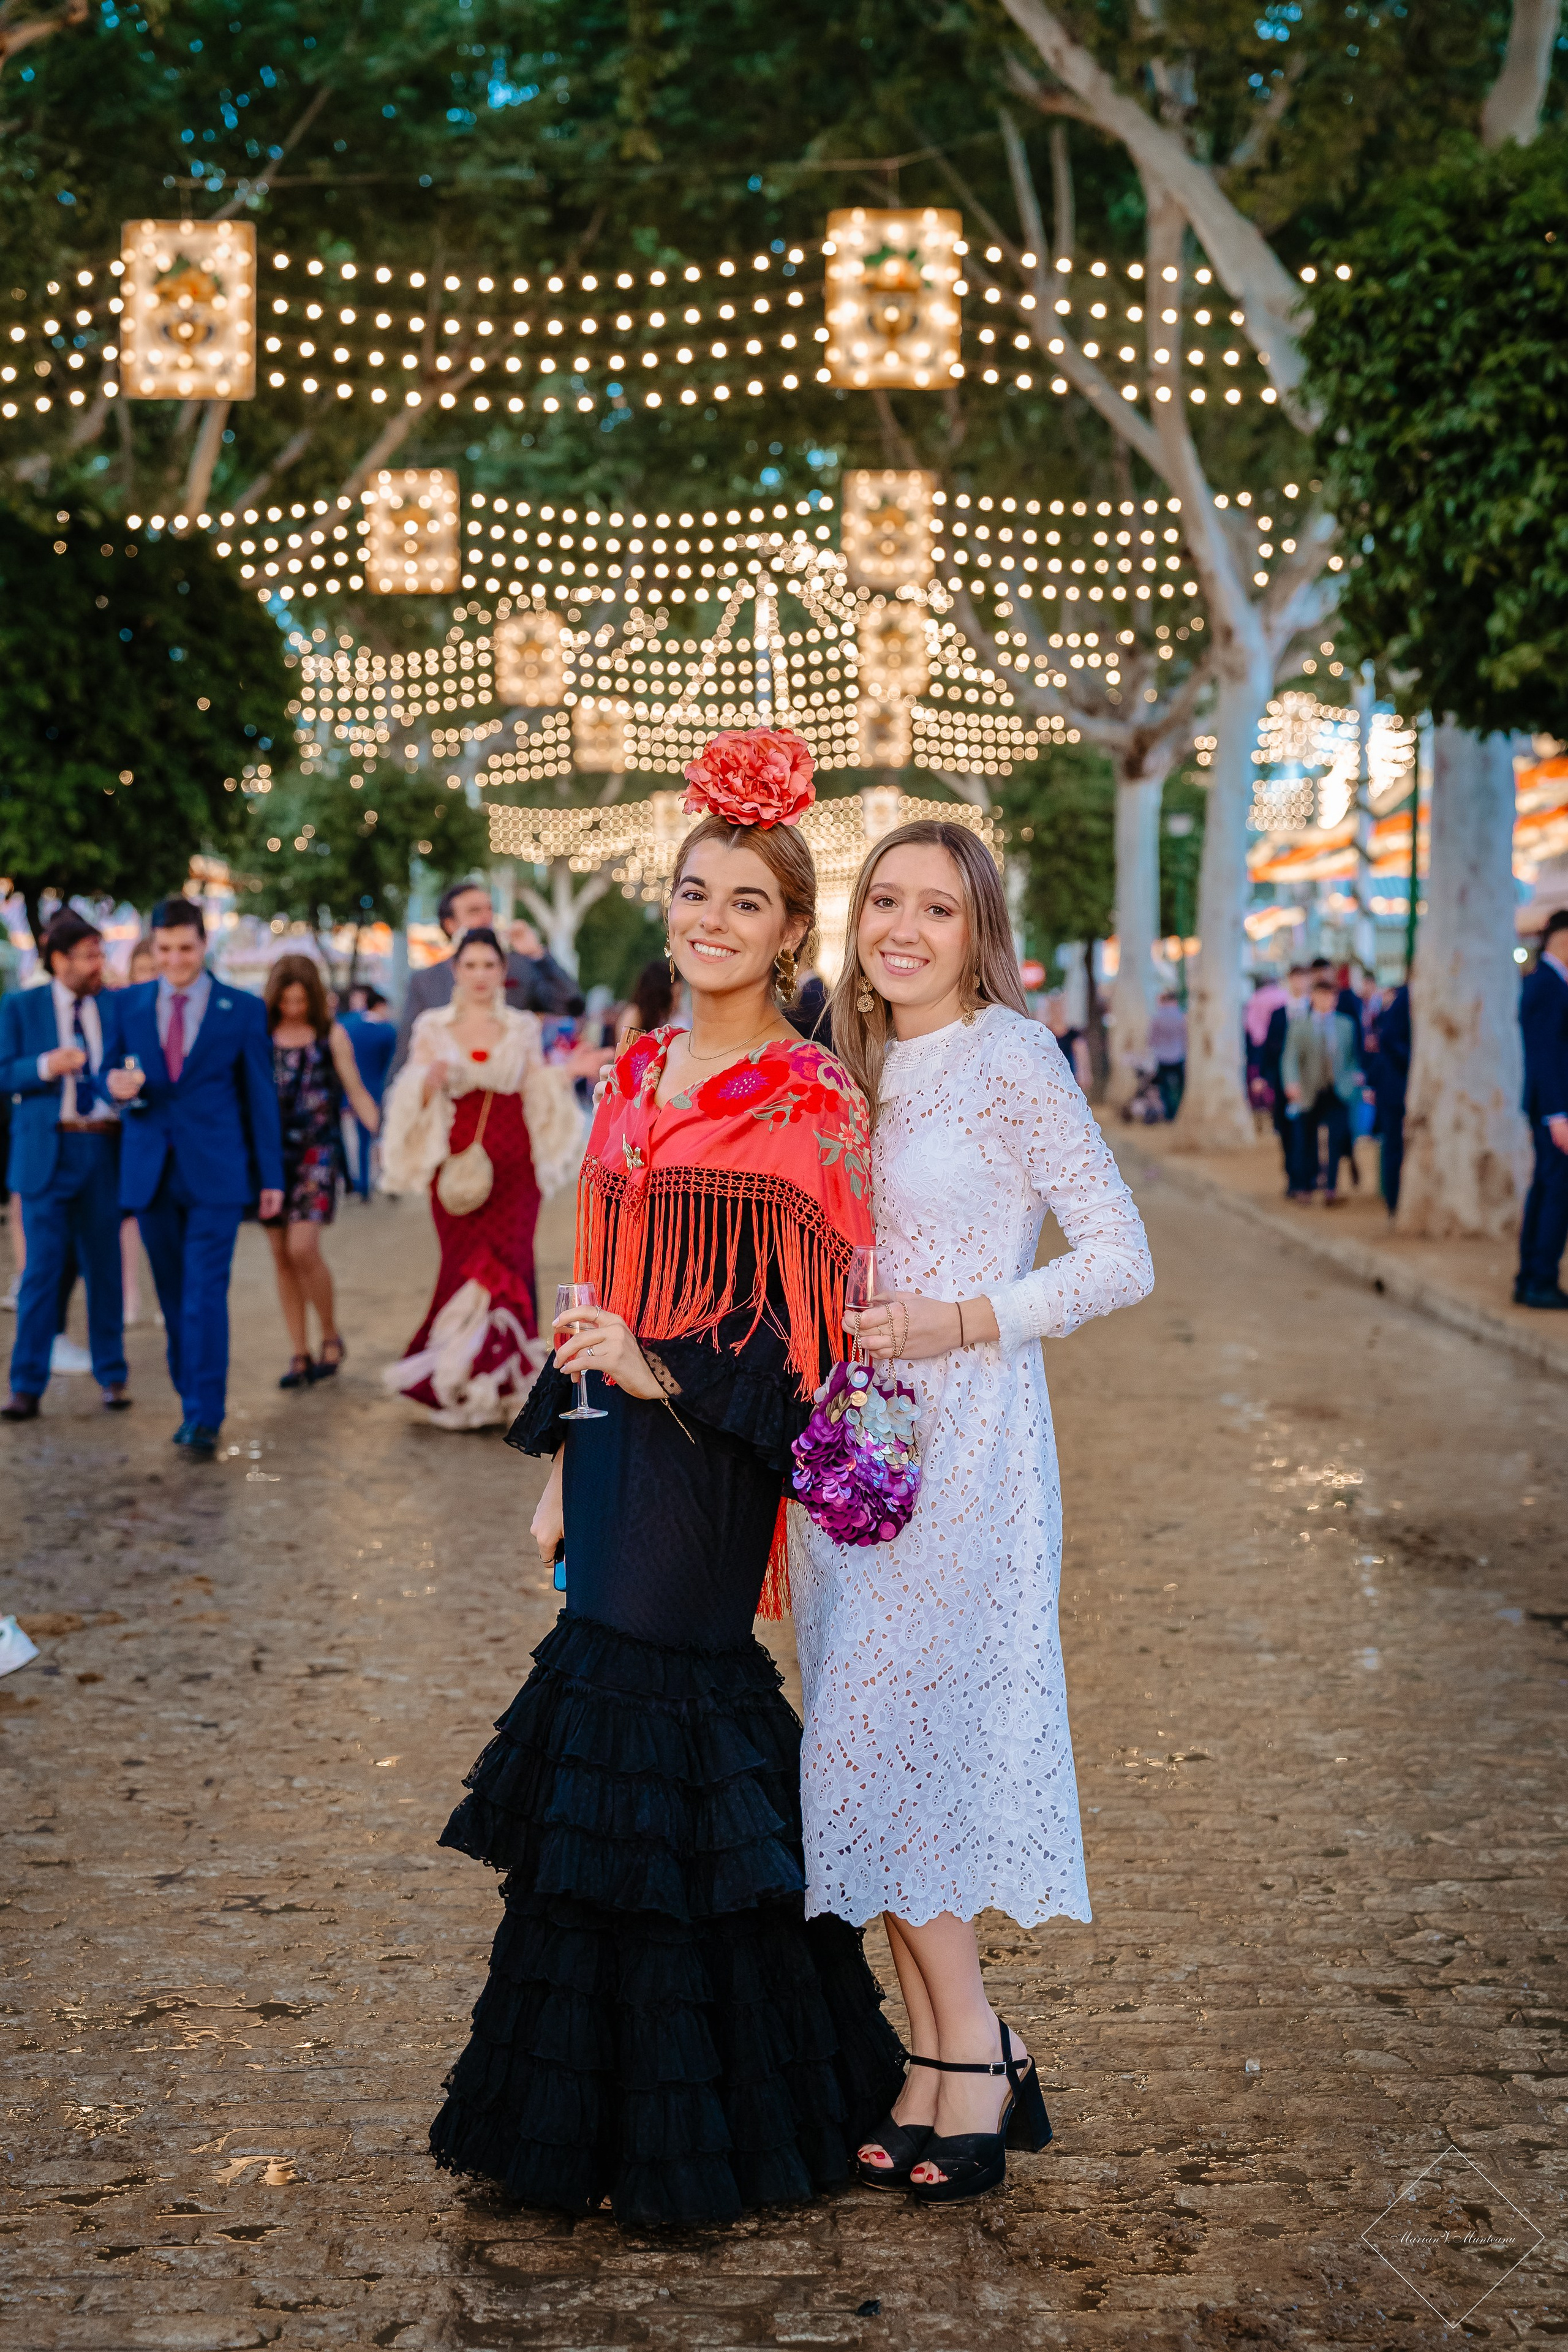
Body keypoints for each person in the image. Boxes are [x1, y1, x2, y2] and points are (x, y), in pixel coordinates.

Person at [429, 728, 905, 2226]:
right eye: (691, 891)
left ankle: (729, 2109)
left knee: (666, 1727)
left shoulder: (813, 1097)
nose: (706, 917)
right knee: (607, 1742)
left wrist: (668, 1373)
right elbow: (593, 1289)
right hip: (615, 1444)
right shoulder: (631, 1072)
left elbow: (813, 1350)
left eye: (742, 901)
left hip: (712, 1457)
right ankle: (608, 2108)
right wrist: (566, 1459)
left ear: (788, 930)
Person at [790, 819, 1153, 2207]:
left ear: (973, 928)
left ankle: (966, 2054)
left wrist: (965, 1316)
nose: (901, 927)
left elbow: (1118, 1253)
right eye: (884, 898)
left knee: (893, 1745)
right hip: (848, 1459)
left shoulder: (1009, 1055)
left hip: (970, 1453)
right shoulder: (844, 1061)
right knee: (864, 1753)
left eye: (933, 907)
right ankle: (957, 2045)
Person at [380, 929, 598, 1428]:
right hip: (455, 1165)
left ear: (504, 972)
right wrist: (424, 1082)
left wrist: (569, 1072)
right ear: (455, 970)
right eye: (470, 965)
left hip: (514, 1164)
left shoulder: (522, 1026)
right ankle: (457, 1384)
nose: (480, 975)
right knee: (462, 1263)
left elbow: (535, 1085)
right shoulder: (432, 1025)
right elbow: (407, 1091)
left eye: (489, 965)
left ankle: (508, 1388)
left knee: (514, 1260)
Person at [100, 897, 284, 1457]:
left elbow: (261, 1099)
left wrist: (271, 1176)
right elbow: (102, 1078)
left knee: (206, 1294)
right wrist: (113, 1086)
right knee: (176, 1296)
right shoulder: (126, 1005)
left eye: (186, 948)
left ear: (204, 946)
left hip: (218, 1175)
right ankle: (192, 1392)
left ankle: (205, 1414)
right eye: (165, 949)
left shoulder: (243, 1008)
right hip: (150, 1171)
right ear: (152, 948)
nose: (176, 959)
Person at [0, 912, 130, 1421]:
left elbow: (128, 1066)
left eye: (102, 953)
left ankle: (113, 1374)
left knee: (105, 1268)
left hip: (102, 1149)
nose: (100, 964)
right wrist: (43, 1066)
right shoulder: (21, 1006)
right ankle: (26, 1384)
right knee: (40, 1273)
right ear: (59, 960)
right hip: (45, 1155)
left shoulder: (115, 1008)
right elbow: (3, 1071)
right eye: (90, 955)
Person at [263, 956, 383, 1388]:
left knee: (302, 1248)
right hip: (271, 1157)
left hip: (317, 1153)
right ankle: (299, 1351)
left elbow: (356, 1090)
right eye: (285, 1001)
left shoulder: (331, 1035)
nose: (293, 1008)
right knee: (280, 1254)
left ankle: (330, 1334)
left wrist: (384, 1136)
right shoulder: (260, 1036)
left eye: (300, 1000)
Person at [390, 881, 581, 1078]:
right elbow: (406, 1053)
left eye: (490, 909)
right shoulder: (426, 980)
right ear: (450, 925)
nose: (486, 917)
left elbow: (571, 1006)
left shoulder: (518, 967)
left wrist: (538, 955)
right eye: (474, 911)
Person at [1515, 908, 1568, 1310]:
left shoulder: (1546, 982)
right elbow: (1547, 1054)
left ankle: (1531, 1276)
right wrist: (1557, 1115)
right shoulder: (1549, 985)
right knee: (1556, 1193)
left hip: (1549, 1108)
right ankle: (1540, 1279)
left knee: (1545, 1189)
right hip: (1555, 1111)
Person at [1281, 975, 1362, 1204]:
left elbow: (1353, 1057)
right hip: (1309, 1089)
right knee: (1307, 1138)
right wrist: (1292, 1082)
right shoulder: (1300, 1025)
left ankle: (1331, 1188)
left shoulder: (1346, 1025)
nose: (1326, 1000)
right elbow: (1290, 1058)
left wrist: (1355, 1079)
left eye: (1330, 996)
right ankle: (1306, 1186)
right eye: (1321, 995)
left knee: (1337, 1137)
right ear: (1313, 998)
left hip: (1339, 1089)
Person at [338, 983, 398, 1201]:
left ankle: (363, 1186)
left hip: (353, 1092)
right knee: (384, 1138)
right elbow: (392, 1065)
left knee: (361, 1141)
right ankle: (389, 1181)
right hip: (380, 1091)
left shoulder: (346, 1026)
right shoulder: (388, 1031)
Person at [1262, 967, 1313, 1193]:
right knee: (1286, 1129)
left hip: (1311, 1082)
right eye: (1296, 978)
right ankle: (1293, 1177)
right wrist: (1266, 1076)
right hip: (1283, 1083)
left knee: (1308, 1130)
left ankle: (1308, 1177)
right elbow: (1268, 1047)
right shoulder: (1278, 1013)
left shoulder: (1315, 1011)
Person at [1368, 974, 1411, 1216]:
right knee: (1393, 1145)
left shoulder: (1406, 997)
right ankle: (1393, 1201)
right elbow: (1390, 1039)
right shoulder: (1406, 998)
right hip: (1395, 1088)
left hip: (1397, 1086)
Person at [612, 956, 674, 1047]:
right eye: (676, 995)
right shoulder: (634, 1015)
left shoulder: (654, 1017)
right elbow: (625, 1055)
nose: (676, 1002)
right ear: (662, 993)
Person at [1147, 989, 1188, 1121]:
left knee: (1163, 1087)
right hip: (1179, 1055)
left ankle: (1169, 1113)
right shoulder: (1182, 1016)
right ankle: (1179, 1111)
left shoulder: (1157, 1017)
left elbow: (1152, 1039)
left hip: (1162, 1056)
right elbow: (1186, 1037)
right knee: (1181, 1086)